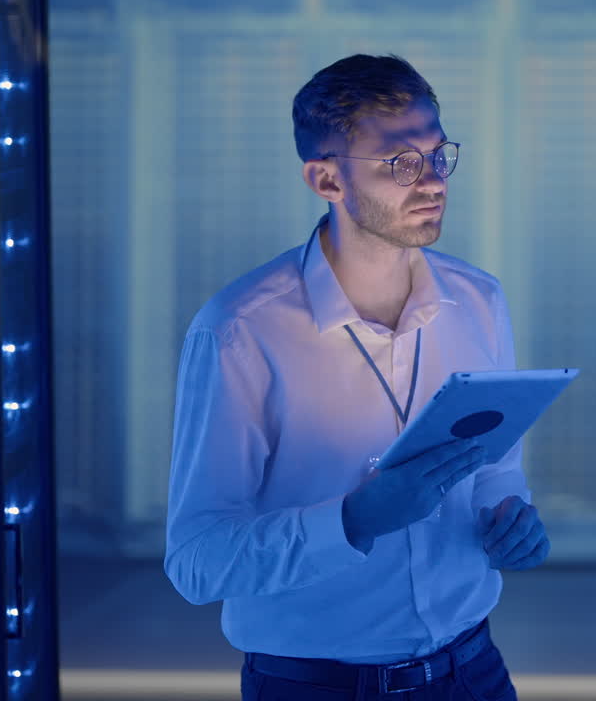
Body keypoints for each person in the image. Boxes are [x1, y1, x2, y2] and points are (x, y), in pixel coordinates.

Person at [164, 53, 551, 701]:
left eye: (438, 154)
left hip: (474, 672)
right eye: (400, 162)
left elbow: (496, 470)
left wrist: (510, 519)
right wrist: (354, 520)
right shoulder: (240, 330)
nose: (432, 180)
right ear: (326, 179)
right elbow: (197, 562)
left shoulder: (479, 300)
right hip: (315, 687)